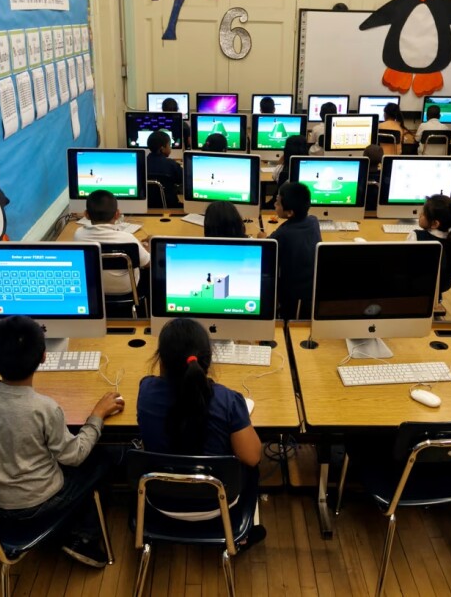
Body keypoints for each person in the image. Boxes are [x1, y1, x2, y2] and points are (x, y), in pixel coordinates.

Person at [0, 316, 125, 568]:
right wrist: (97, 415)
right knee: (107, 456)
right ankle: (83, 536)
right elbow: (75, 455)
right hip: (38, 504)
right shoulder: (45, 409)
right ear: (43, 356)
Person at [136, 318, 266, 547]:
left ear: (161, 361)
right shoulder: (228, 400)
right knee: (251, 469)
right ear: (207, 360)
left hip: (160, 501)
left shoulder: (145, 391)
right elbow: (252, 456)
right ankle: (242, 536)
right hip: (217, 505)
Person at [259, 182, 322, 319]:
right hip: (314, 285)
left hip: (298, 294)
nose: (275, 205)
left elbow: (267, 247)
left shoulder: (283, 234)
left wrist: (261, 237)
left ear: (290, 212)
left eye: (278, 203)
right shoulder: (313, 221)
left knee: (293, 320)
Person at [74, 189, 150, 295]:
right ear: (117, 214)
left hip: (92, 289)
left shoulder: (78, 235)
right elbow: (148, 263)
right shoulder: (128, 239)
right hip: (126, 289)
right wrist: (148, 247)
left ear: (86, 214)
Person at [405, 194, 451, 296]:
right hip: (440, 288)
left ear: (435, 223)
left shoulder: (415, 237)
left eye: (423, 213)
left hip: (414, 289)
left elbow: (405, 266)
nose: (420, 215)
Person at [146, 130, 183, 208]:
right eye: (169, 145)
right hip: (170, 206)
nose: (171, 147)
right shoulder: (171, 164)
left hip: (146, 206)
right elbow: (181, 180)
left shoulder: (141, 163)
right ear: (162, 148)